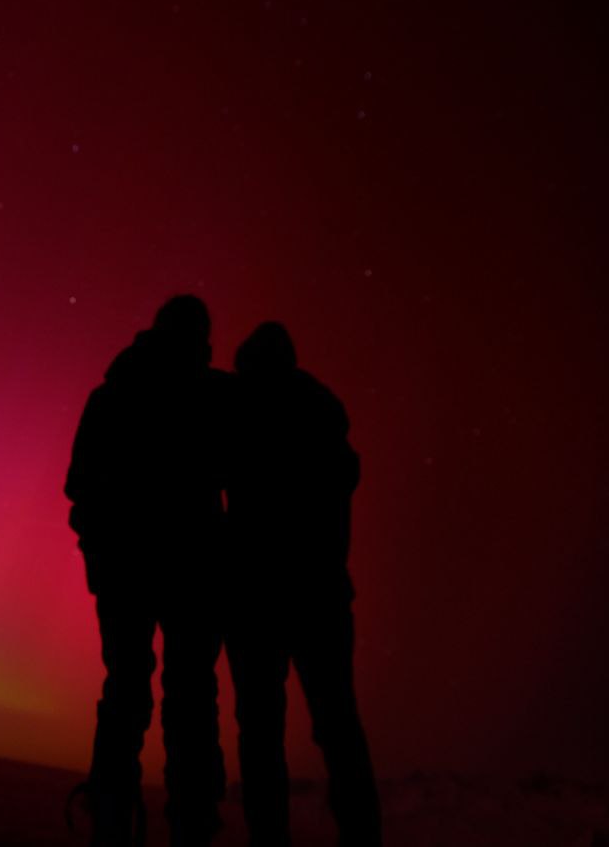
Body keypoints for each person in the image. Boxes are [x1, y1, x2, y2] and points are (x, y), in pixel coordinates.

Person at [65, 295, 229, 846]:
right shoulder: (214, 397)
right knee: (191, 699)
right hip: (188, 573)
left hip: (128, 571)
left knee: (128, 691)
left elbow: (79, 487)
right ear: (201, 340)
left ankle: (112, 823)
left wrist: (101, 551)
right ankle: (193, 827)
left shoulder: (113, 394)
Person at [223, 322, 381, 847]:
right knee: (337, 727)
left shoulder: (243, 419)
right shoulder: (324, 427)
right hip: (322, 598)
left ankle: (270, 839)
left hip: (259, 600)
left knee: (263, 733)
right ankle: (363, 836)